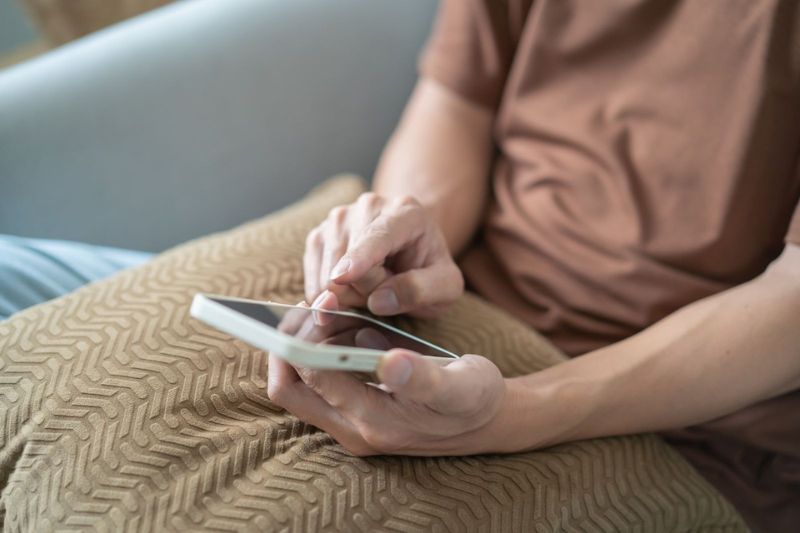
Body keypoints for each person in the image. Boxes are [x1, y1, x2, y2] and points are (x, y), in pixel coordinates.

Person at [1, 2, 797, 531]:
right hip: (443, 315)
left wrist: (521, 412)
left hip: (672, 423)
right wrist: (406, 233)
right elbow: (459, 103)